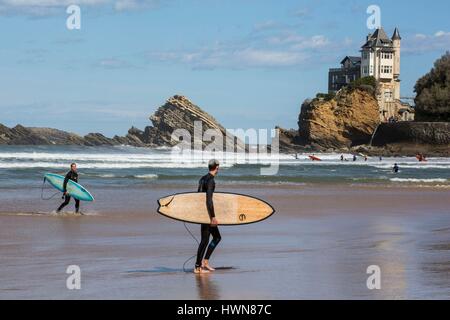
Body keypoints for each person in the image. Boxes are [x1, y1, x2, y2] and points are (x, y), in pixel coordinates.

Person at [194, 159, 221, 274]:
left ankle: (204, 262)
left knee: (214, 238)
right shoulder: (211, 181)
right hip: (208, 215)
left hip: (202, 213)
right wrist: (213, 217)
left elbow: (198, 197)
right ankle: (197, 266)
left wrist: (198, 213)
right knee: (206, 240)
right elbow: (208, 200)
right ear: (217, 167)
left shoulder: (202, 179)